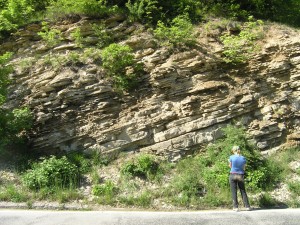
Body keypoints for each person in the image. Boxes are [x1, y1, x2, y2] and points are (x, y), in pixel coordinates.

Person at [228, 145, 251, 211]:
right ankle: (247, 206)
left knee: (234, 191)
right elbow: (244, 168)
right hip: (240, 175)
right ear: (239, 150)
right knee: (243, 191)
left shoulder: (231, 157)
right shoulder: (243, 158)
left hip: (233, 174)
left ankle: (235, 207)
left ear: (233, 150)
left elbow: (230, 166)